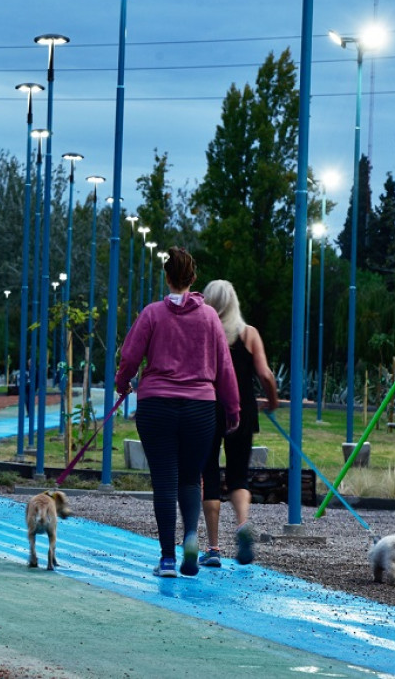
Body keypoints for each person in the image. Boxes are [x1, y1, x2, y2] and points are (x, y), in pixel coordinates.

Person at [115, 247, 239, 578]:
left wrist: (121, 382)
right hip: (200, 409)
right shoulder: (210, 317)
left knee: (164, 482)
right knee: (189, 478)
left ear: (166, 277)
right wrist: (232, 407)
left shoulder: (152, 314)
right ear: (193, 278)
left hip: (156, 407)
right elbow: (224, 367)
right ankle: (192, 538)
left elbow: (130, 355)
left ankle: (167, 559)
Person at [199, 279, 279, 567]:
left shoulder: (203, 333)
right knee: (239, 475)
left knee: (208, 474)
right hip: (243, 410)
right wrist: (272, 401)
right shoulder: (249, 334)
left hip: (207, 408)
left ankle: (213, 548)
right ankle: (243, 527)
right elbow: (265, 374)